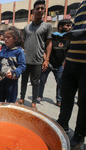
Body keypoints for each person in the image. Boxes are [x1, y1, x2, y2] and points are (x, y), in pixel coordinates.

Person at [56, 1, 86, 149]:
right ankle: (63, 124)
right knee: (66, 96)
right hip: (72, 59)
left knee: (84, 102)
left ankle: (79, 135)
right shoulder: (82, 4)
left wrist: (84, 32)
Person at [16, 0, 52, 109]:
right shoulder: (27, 28)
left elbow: (49, 43)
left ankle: (33, 103)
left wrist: (46, 60)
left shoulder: (47, 26)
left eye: (42, 8)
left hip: (37, 60)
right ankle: (21, 99)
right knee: (23, 81)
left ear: (44, 10)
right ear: (33, 10)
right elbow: (23, 41)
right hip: (25, 60)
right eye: (38, 8)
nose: (40, 10)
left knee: (35, 82)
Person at [37, 19, 72, 106]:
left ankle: (59, 100)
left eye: (70, 26)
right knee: (42, 81)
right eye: (67, 26)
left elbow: (68, 52)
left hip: (59, 65)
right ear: (60, 27)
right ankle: (39, 96)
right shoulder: (52, 37)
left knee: (60, 83)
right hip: (48, 63)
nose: (69, 27)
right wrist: (45, 61)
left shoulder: (68, 38)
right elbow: (44, 50)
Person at [0, 26, 26, 103]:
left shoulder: (19, 51)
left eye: (8, 37)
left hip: (12, 82)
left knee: (10, 103)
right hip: (1, 81)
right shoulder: (2, 52)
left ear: (16, 38)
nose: (5, 39)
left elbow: (22, 66)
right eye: (5, 37)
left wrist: (14, 72)